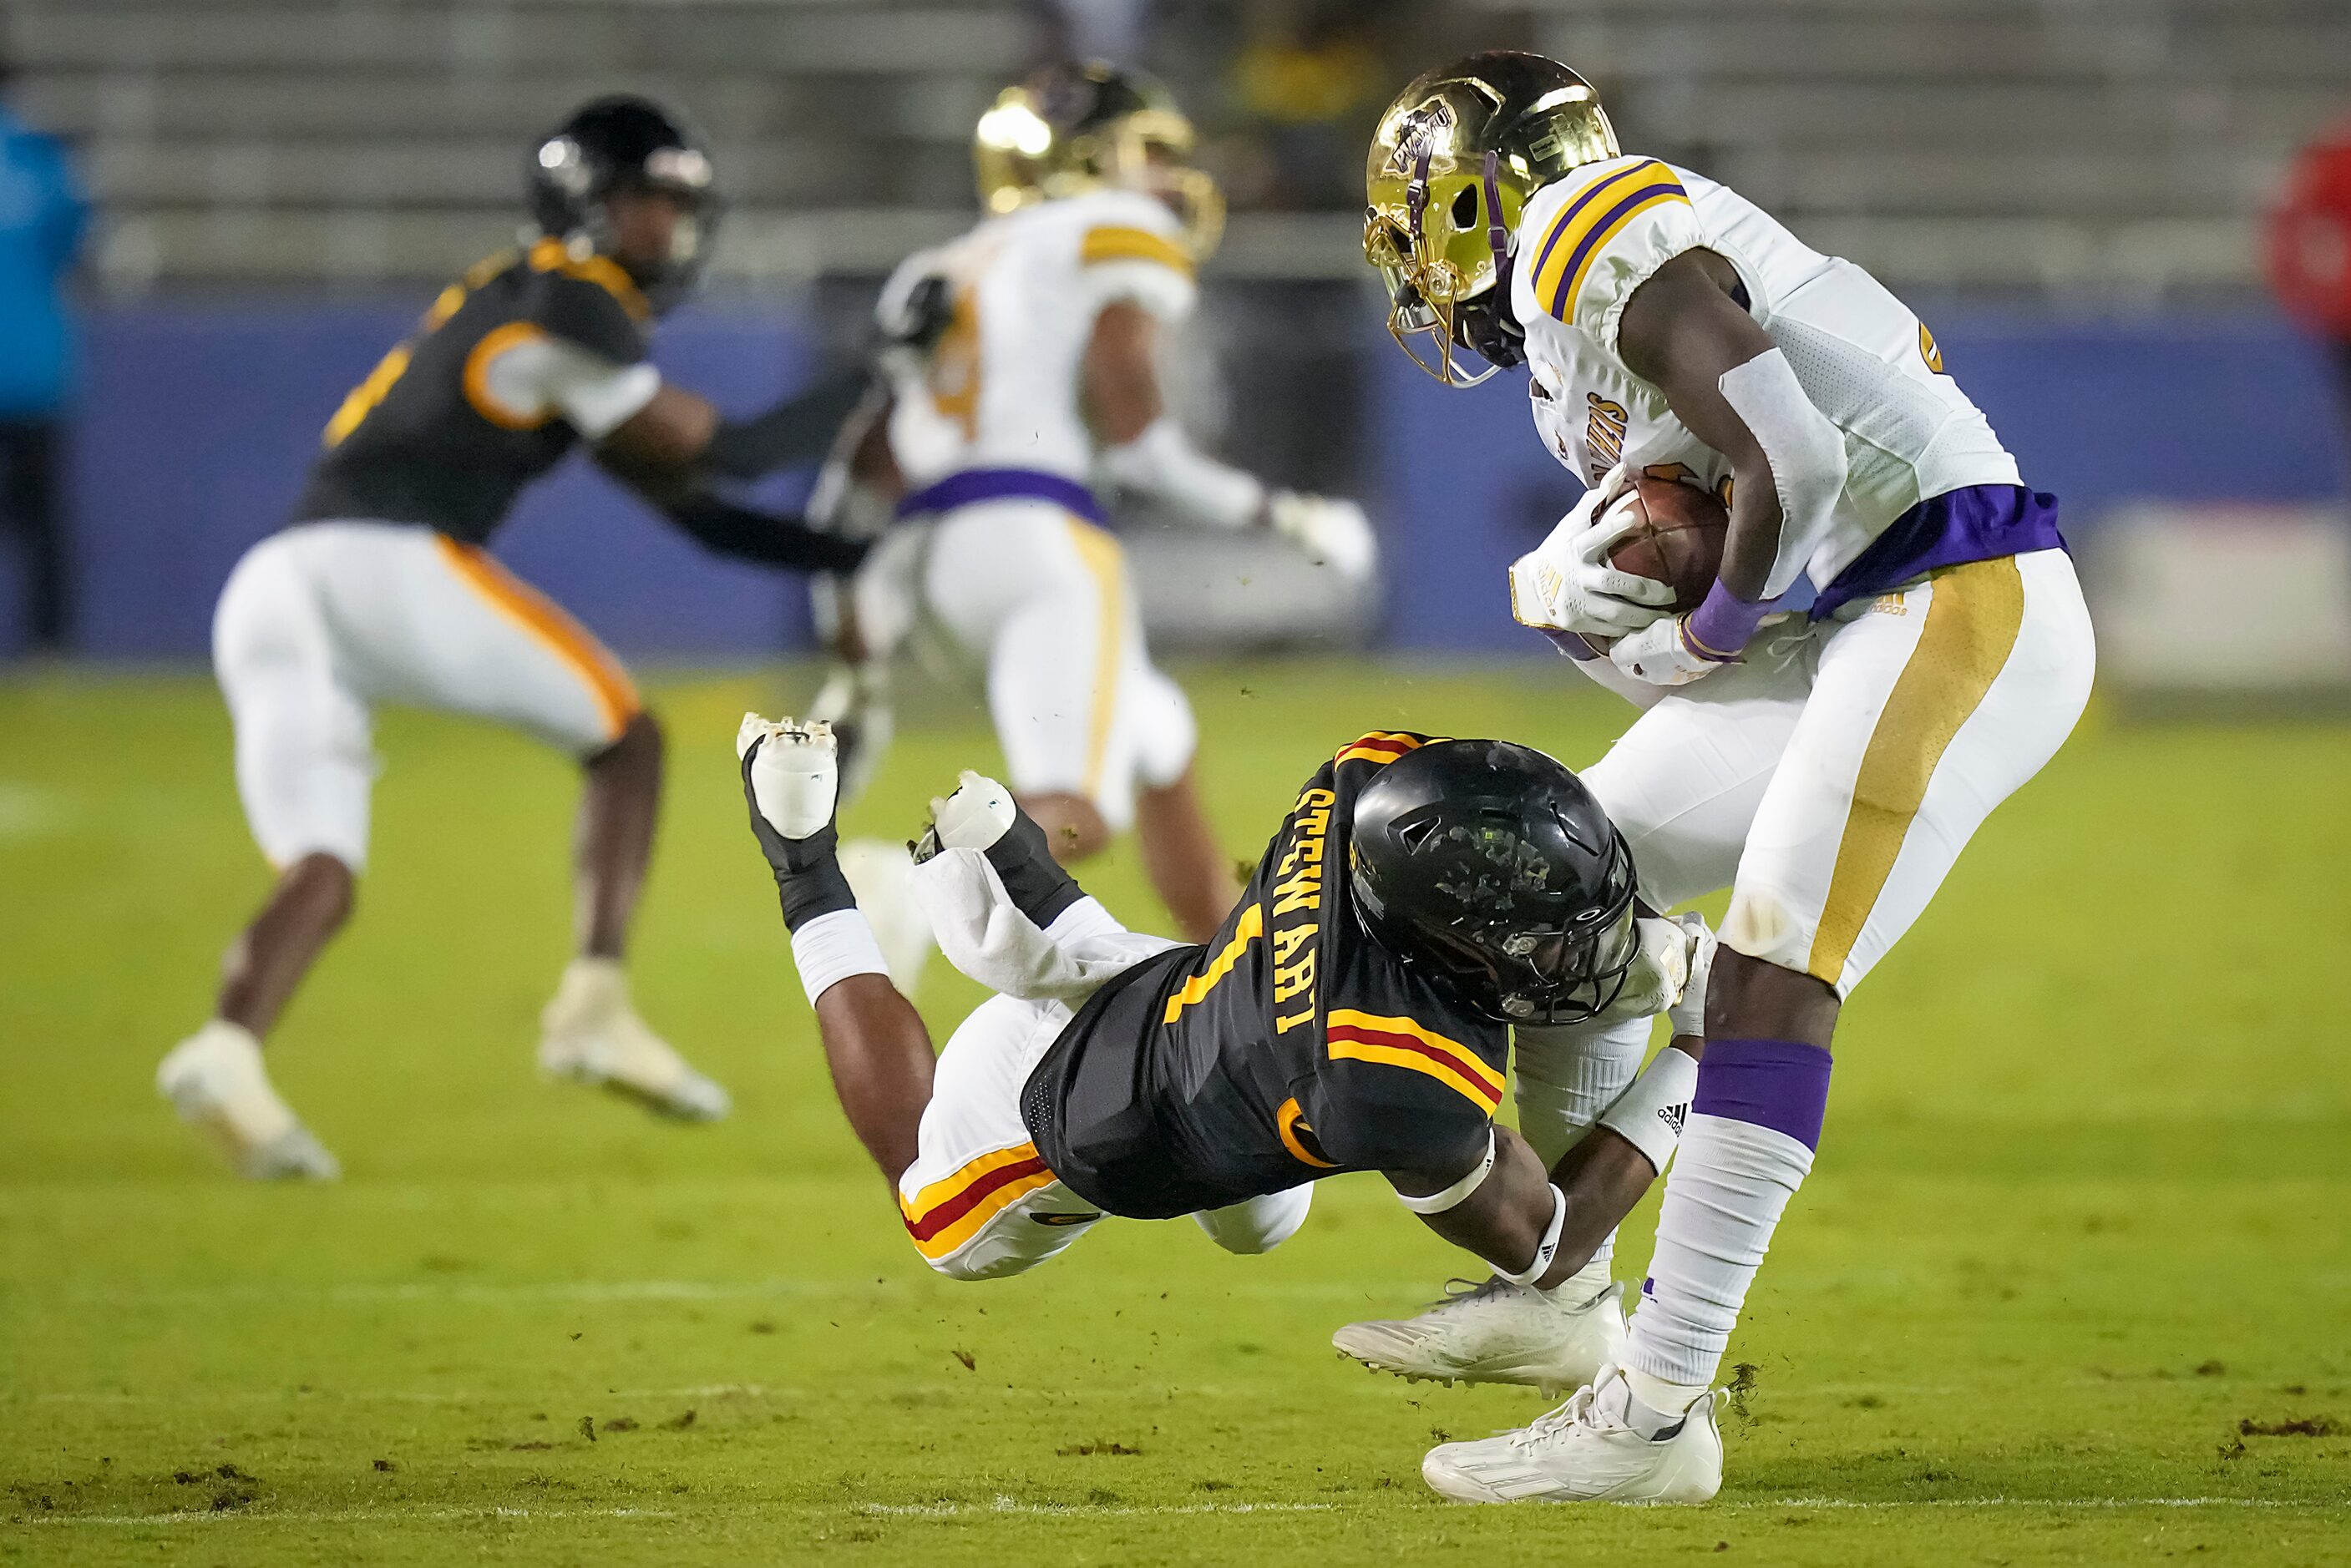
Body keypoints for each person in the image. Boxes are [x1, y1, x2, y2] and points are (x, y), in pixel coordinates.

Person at [1346, 52, 2096, 1504]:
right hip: (1852, 621)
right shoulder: (1575, 339)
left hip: (1953, 590)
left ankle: (1658, 1407)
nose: (1422, 274)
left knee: (1772, 968)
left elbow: (1794, 458)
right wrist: (1603, 604)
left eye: (1421, 228)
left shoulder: (1579, 231)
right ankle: (1568, 1283)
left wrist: (1706, 625)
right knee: (1569, 865)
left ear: (1468, 203)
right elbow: (1728, 508)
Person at [158, 96, 874, 1179]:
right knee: (626, 734)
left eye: (679, 206)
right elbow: (727, 453)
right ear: (591, 207)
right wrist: (884, 373)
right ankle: (591, 1003)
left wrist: (853, 561)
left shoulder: (529, 307)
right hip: (380, 562)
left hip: (275, 584)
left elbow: (704, 515)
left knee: (322, 865)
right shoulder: (572, 298)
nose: (670, 230)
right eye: (650, 204)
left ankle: (225, 1048)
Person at [737, 716, 1712, 1350]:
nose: (1558, 955)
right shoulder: (1390, 1088)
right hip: (1064, 1101)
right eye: (1533, 942)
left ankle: (1015, 887)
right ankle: (804, 865)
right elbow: (1551, 1243)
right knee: (927, 1208)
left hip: (1185, 1002)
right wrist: (1698, 1053)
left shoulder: (1365, 780)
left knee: (1260, 1218)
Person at [807, 61, 1377, 981]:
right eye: (1146, 150)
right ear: (1084, 157)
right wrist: (1285, 515)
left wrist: (856, 655)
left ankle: (1242, 972)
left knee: (1159, 733)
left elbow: (860, 466)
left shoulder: (939, 267)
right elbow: (1137, 437)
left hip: (928, 559)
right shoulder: (1111, 233)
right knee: (1073, 811)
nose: (1162, 174)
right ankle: (903, 889)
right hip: (1041, 539)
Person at [0, 68, 89, 653]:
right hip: (35, 367)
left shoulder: (42, 158)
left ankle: (50, 643)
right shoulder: (42, 162)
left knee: (41, 517)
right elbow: (72, 246)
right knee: (42, 519)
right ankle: (50, 647)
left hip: (30, 367)